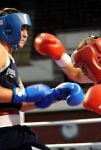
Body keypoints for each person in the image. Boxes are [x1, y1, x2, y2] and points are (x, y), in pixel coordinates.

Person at [0, 8, 84, 150]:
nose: (26, 34)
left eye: (27, 29)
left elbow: (21, 104)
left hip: (11, 134)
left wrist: (54, 95)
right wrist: (23, 94)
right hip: (6, 134)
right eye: (22, 28)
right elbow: (20, 96)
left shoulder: (9, 59)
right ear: (7, 27)